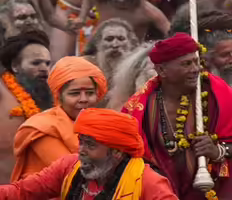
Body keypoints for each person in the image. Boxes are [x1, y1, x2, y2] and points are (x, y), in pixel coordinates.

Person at [122, 33, 232, 199]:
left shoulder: (215, 91)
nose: (195, 69)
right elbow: (123, 156)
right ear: (161, 70)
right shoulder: (141, 105)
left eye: (196, 61)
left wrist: (218, 151)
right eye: (186, 64)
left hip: (210, 190)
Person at [0, 108, 178, 199]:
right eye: (81, 142)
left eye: (90, 145)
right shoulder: (69, 166)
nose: (81, 150)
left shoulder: (148, 182)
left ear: (117, 152)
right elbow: (22, 192)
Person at [12, 56, 108, 180]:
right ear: (59, 97)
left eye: (90, 93)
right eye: (75, 93)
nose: (84, 99)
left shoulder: (101, 122)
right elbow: (73, 173)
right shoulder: (42, 127)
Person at [0, 34, 53, 181]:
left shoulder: (50, 96)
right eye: (36, 63)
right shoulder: (3, 91)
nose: (44, 69)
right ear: (15, 66)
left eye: (47, 63)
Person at [81, 18, 138, 87]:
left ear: (131, 43)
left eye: (121, 39)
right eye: (109, 39)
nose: (115, 45)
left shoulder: (139, 69)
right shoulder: (84, 66)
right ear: (98, 43)